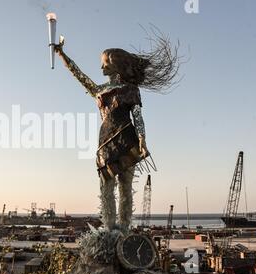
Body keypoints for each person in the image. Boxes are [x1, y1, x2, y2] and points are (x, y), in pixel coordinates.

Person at [54, 32, 179, 231]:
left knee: (125, 187)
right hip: (105, 141)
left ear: (116, 66)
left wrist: (142, 139)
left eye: (105, 63)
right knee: (106, 186)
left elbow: (137, 116)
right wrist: (62, 55)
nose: (101, 67)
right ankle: (109, 228)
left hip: (126, 138)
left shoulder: (131, 90)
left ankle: (123, 227)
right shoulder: (99, 90)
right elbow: (80, 76)